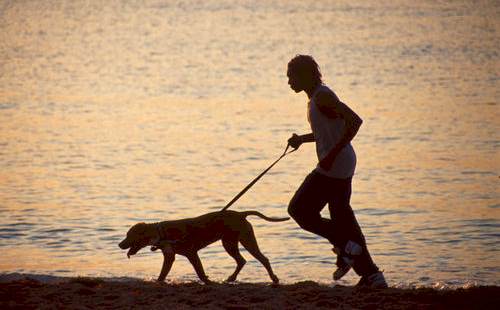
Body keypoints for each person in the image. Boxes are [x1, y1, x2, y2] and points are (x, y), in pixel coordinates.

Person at [286, 55, 387, 288]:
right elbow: (329, 131)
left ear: (307, 75)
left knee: (299, 209)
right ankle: (372, 276)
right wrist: (303, 138)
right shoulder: (315, 98)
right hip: (339, 165)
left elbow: (355, 121)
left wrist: (331, 155)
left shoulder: (323, 96)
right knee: (343, 219)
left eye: (292, 76)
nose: (289, 81)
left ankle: (346, 246)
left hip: (335, 166)